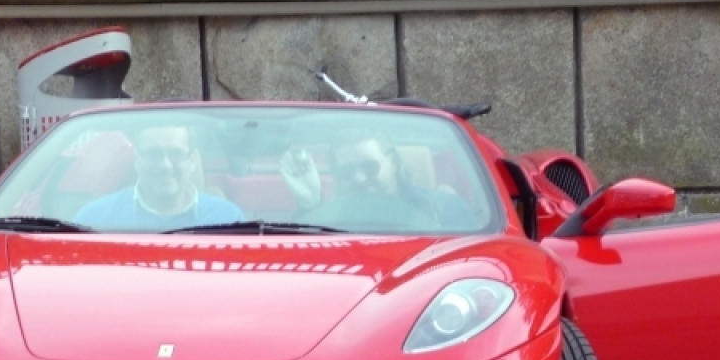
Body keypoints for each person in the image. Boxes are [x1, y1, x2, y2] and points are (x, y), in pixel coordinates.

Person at [280, 132, 473, 232]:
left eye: (370, 167)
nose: (359, 178)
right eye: (347, 172)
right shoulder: (328, 221)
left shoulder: (443, 207)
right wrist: (310, 204)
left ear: (394, 163)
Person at [74, 125, 242, 230]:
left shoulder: (229, 220)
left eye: (176, 154)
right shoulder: (94, 220)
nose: (165, 165)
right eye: (153, 154)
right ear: (136, 158)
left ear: (192, 160)